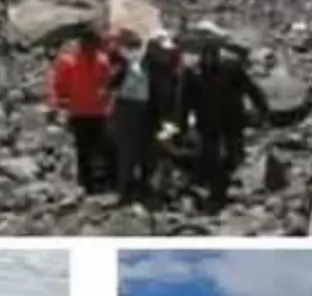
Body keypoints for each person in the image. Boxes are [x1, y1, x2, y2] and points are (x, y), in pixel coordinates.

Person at [179, 38, 270, 209]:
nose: (209, 60)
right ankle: (216, 194)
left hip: (232, 120)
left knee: (233, 155)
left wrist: (263, 108)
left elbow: (250, 88)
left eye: (212, 56)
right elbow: (185, 102)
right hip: (207, 122)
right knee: (211, 158)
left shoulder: (230, 68)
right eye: (206, 56)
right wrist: (183, 126)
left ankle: (224, 186)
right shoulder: (194, 73)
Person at [46, 24, 114, 193]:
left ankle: (99, 182)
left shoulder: (101, 61)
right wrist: (57, 104)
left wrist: (106, 96)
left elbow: (107, 85)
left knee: (99, 147)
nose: (91, 48)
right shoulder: (69, 62)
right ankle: (87, 184)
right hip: (80, 112)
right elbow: (58, 85)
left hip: (97, 111)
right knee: (84, 148)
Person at [106, 29, 157, 204]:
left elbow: (112, 84)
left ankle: (129, 190)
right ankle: (135, 189)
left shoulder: (129, 61)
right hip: (137, 108)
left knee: (130, 152)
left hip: (131, 107)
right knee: (136, 151)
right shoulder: (138, 61)